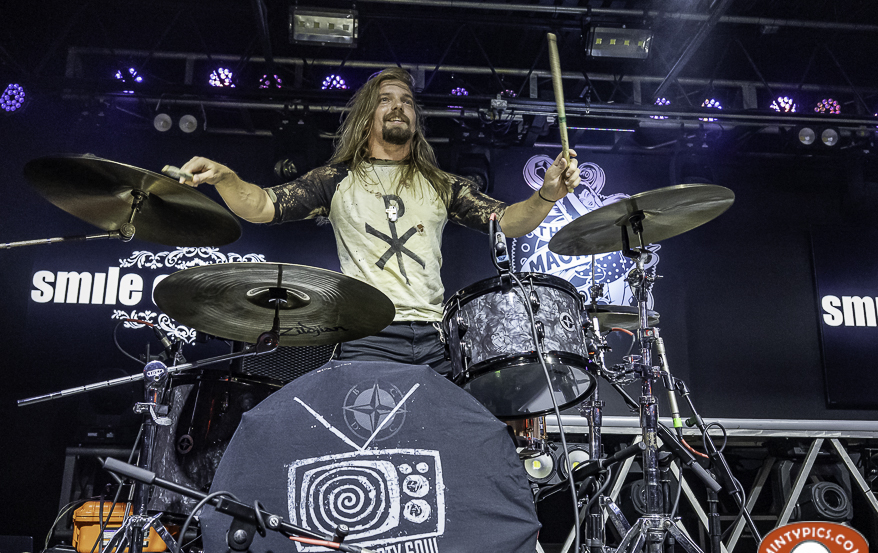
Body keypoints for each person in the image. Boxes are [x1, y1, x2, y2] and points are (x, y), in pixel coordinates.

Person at [176, 67, 580, 375]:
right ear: (368, 115)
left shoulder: (441, 185)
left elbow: (507, 221)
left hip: (434, 338)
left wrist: (547, 194)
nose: (398, 106)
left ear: (415, 119)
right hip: (368, 335)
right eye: (386, 99)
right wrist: (225, 178)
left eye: (406, 101)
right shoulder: (335, 180)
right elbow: (262, 205)